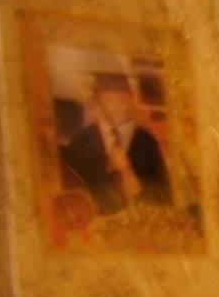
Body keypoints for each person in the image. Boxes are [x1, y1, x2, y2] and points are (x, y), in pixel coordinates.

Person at [60, 72, 171, 214]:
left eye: (122, 101)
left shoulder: (146, 141)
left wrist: (127, 171)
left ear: (131, 101)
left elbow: (164, 193)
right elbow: (72, 188)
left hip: (139, 217)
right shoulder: (82, 140)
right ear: (99, 102)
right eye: (109, 101)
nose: (116, 108)